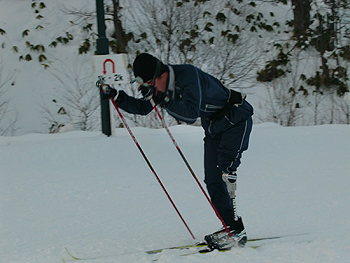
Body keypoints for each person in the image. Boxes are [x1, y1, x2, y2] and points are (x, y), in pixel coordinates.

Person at [100, 53, 253, 249]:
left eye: (150, 84)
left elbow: (189, 115)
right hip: (214, 126)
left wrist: (161, 97)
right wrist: (117, 96)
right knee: (212, 180)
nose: (151, 89)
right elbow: (143, 107)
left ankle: (237, 230)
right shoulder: (159, 87)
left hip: (236, 118)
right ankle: (230, 226)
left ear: (161, 75)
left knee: (225, 171)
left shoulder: (188, 75)